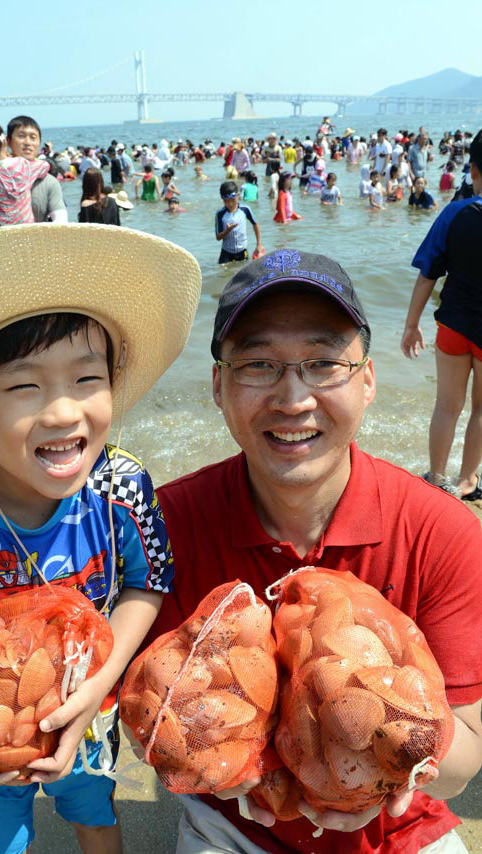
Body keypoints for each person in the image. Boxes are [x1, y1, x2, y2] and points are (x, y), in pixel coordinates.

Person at [139, 247, 482, 854]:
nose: (293, 398)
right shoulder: (163, 525)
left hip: (399, 828)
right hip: (233, 825)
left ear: (369, 380)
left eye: (324, 362)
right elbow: (148, 713)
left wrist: (390, 761)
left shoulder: (443, 532)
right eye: (259, 364)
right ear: (218, 384)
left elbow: (467, 758)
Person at [0, 223, 202, 854]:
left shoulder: (122, 490)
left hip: (91, 703)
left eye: (87, 380)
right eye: (25, 386)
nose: (62, 412)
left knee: (93, 813)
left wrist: (95, 689)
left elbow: (148, 580)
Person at [401, 129, 482, 499]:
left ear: (474, 170)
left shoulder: (454, 212)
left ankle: (436, 478)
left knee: (446, 406)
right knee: (481, 409)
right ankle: (467, 482)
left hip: (451, 324)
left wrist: (411, 324)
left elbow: (427, 274)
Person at [0, 116, 66, 230]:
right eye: (21, 136)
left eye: (33, 137)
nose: (27, 142)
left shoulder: (49, 182)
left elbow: (61, 220)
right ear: (8, 141)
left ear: (39, 143)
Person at [215, 180, 263, 264]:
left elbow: (255, 224)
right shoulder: (220, 214)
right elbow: (218, 237)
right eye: (227, 201)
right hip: (226, 252)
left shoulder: (245, 209)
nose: (230, 204)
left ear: (238, 195)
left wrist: (259, 244)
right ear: (222, 199)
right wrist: (228, 230)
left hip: (242, 251)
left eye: (233, 200)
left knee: (243, 273)